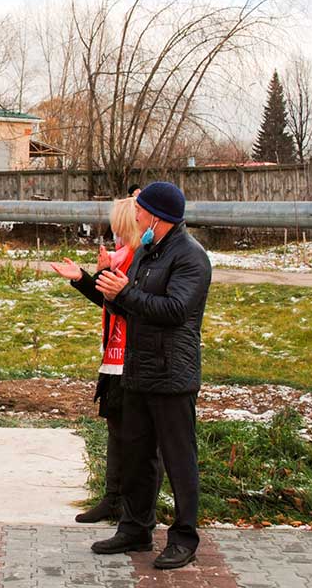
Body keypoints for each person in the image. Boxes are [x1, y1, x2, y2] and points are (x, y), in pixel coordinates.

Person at [90, 181, 211, 570]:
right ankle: (135, 528)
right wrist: (91, 283)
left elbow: (175, 310)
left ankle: (184, 537)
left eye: (140, 209)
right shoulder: (147, 252)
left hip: (172, 374)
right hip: (138, 371)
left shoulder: (190, 257)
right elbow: (131, 307)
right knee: (137, 455)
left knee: (179, 459)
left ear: (156, 216)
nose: (135, 214)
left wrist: (124, 293)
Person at [51, 197, 141, 523]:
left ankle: (133, 509)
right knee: (116, 432)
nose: (113, 231)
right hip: (114, 359)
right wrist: (83, 278)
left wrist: (105, 278)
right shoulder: (122, 257)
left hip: (133, 360)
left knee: (134, 437)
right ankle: (113, 499)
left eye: (118, 224)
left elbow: (131, 306)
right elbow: (108, 304)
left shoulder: (139, 260)